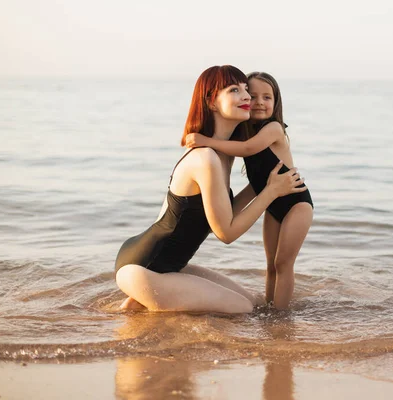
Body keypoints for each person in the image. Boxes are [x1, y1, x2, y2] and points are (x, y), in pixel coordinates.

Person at [114, 65, 307, 314]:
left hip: (169, 265)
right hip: (143, 267)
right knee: (243, 309)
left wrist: (270, 183)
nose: (247, 97)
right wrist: (270, 192)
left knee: (257, 303)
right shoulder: (205, 158)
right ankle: (147, 298)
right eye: (235, 90)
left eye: (246, 90)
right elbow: (226, 232)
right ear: (212, 102)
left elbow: (223, 213)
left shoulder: (223, 155)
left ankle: (145, 300)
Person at [185, 71, 313, 310]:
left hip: (297, 203)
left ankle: (281, 317)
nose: (260, 102)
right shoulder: (244, 130)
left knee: (284, 263)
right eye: (253, 96)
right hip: (273, 203)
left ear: (276, 103)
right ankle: (269, 306)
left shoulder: (273, 129)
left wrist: (206, 141)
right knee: (271, 265)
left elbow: (247, 148)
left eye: (267, 97)